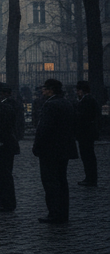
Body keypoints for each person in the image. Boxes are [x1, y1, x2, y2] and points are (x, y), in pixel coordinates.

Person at [32, 78, 77, 224]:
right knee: (62, 181)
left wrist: (37, 146)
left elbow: (43, 129)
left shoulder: (50, 105)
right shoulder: (66, 103)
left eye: (44, 89)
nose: (43, 91)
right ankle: (63, 212)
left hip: (50, 150)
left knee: (50, 182)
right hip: (64, 148)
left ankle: (54, 212)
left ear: (51, 90)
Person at [0, 81, 19, 212]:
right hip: (7, 144)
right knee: (4, 175)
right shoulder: (6, 106)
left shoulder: (3, 107)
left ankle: (6, 202)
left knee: (3, 175)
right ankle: (5, 201)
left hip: (3, 145)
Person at [74, 81, 99, 187]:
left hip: (85, 133)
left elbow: (83, 116)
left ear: (81, 91)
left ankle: (90, 178)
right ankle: (90, 177)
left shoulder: (86, 101)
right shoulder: (89, 99)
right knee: (88, 156)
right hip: (87, 132)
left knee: (87, 156)